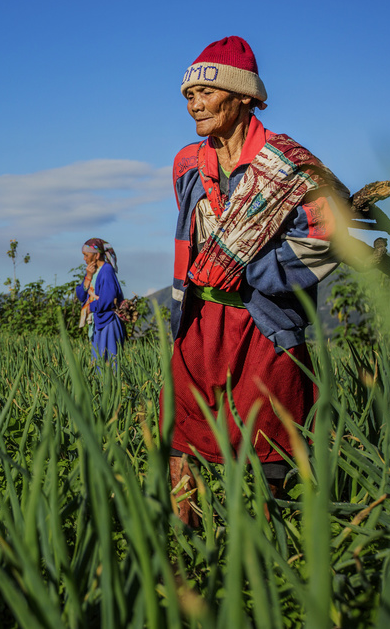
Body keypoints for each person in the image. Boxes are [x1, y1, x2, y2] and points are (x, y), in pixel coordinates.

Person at [164, 36, 349, 526]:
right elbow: (192, 231)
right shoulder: (188, 164)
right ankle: (186, 552)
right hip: (199, 321)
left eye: (205, 94)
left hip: (262, 321)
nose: (194, 106)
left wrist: (250, 267)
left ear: (244, 96)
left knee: (271, 442)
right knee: (184, 433)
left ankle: (275, 553)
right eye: (188, 96)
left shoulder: (290, 165)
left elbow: (325, 236)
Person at [75, 238, 126, 363]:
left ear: (96, 255)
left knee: (109, 361)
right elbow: (81, 296)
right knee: (98, 361)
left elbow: (107, 299)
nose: (84, 259)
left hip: (107, 322)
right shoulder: (93, 272)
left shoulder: (107, 271)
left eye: (86, 255)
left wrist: (90, 307)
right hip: (98, 322)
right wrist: (88, 276)